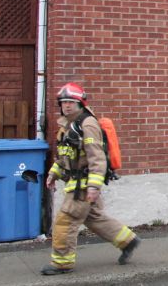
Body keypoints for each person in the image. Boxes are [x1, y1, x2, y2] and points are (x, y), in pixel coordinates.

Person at [42, 83, 139, 275]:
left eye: (71, 102)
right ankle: (128, 241)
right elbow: (65, 156)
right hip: (76, 182)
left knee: (65, 220)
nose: (67, 105)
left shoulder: (87, 124)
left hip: (83, 185)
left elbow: (97, 157)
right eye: (64, 102)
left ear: (80, 103)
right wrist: (54, 173)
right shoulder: (67, 125)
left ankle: (62, 263)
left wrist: (94, 186)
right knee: (93, 218)